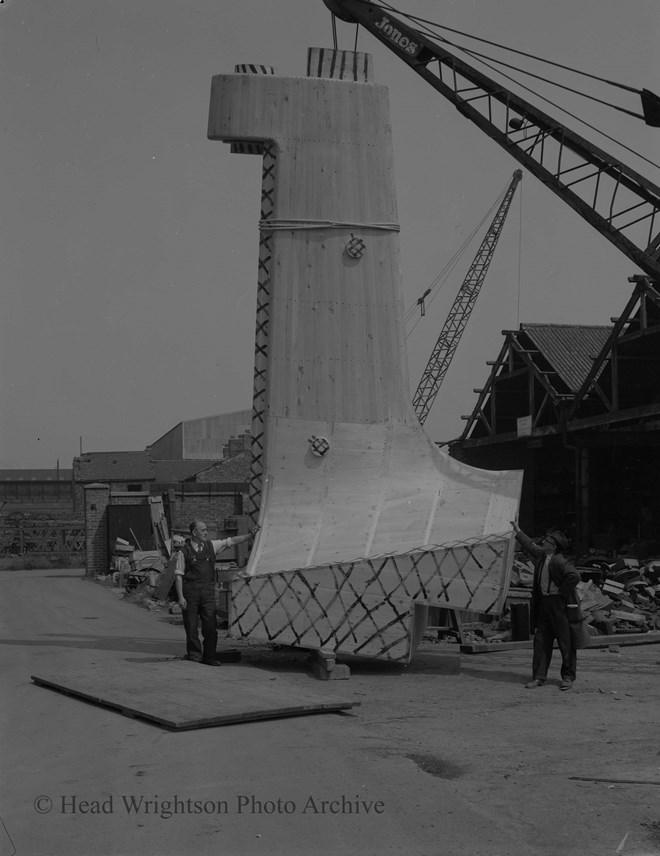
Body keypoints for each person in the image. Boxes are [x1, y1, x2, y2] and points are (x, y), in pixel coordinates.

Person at [174, 520, 259, 666]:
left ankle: (210, 657)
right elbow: (178, 575)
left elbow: (230, 541)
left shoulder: (211, 546)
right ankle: (194, 655)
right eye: (203, 530)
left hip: (207, 594)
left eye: (206, 530)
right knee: (191, 627)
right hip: (190, 595)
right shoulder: (184, 552)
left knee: (210, 627)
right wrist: (181, 597)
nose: (206, 533)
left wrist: (250, 535)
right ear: (194, 533)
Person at [510, 521, 581, 691]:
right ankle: (539, 677)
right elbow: (530, 546)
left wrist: (561, 592)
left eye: (548, 542)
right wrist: (518, 530)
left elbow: (575, 576)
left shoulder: (559, 561)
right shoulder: (543, 555)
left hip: (558, 605)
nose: (544, 543)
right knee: (541, 641)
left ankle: (568, 677)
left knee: (566, 642)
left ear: (554, 547)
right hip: (544, 604)